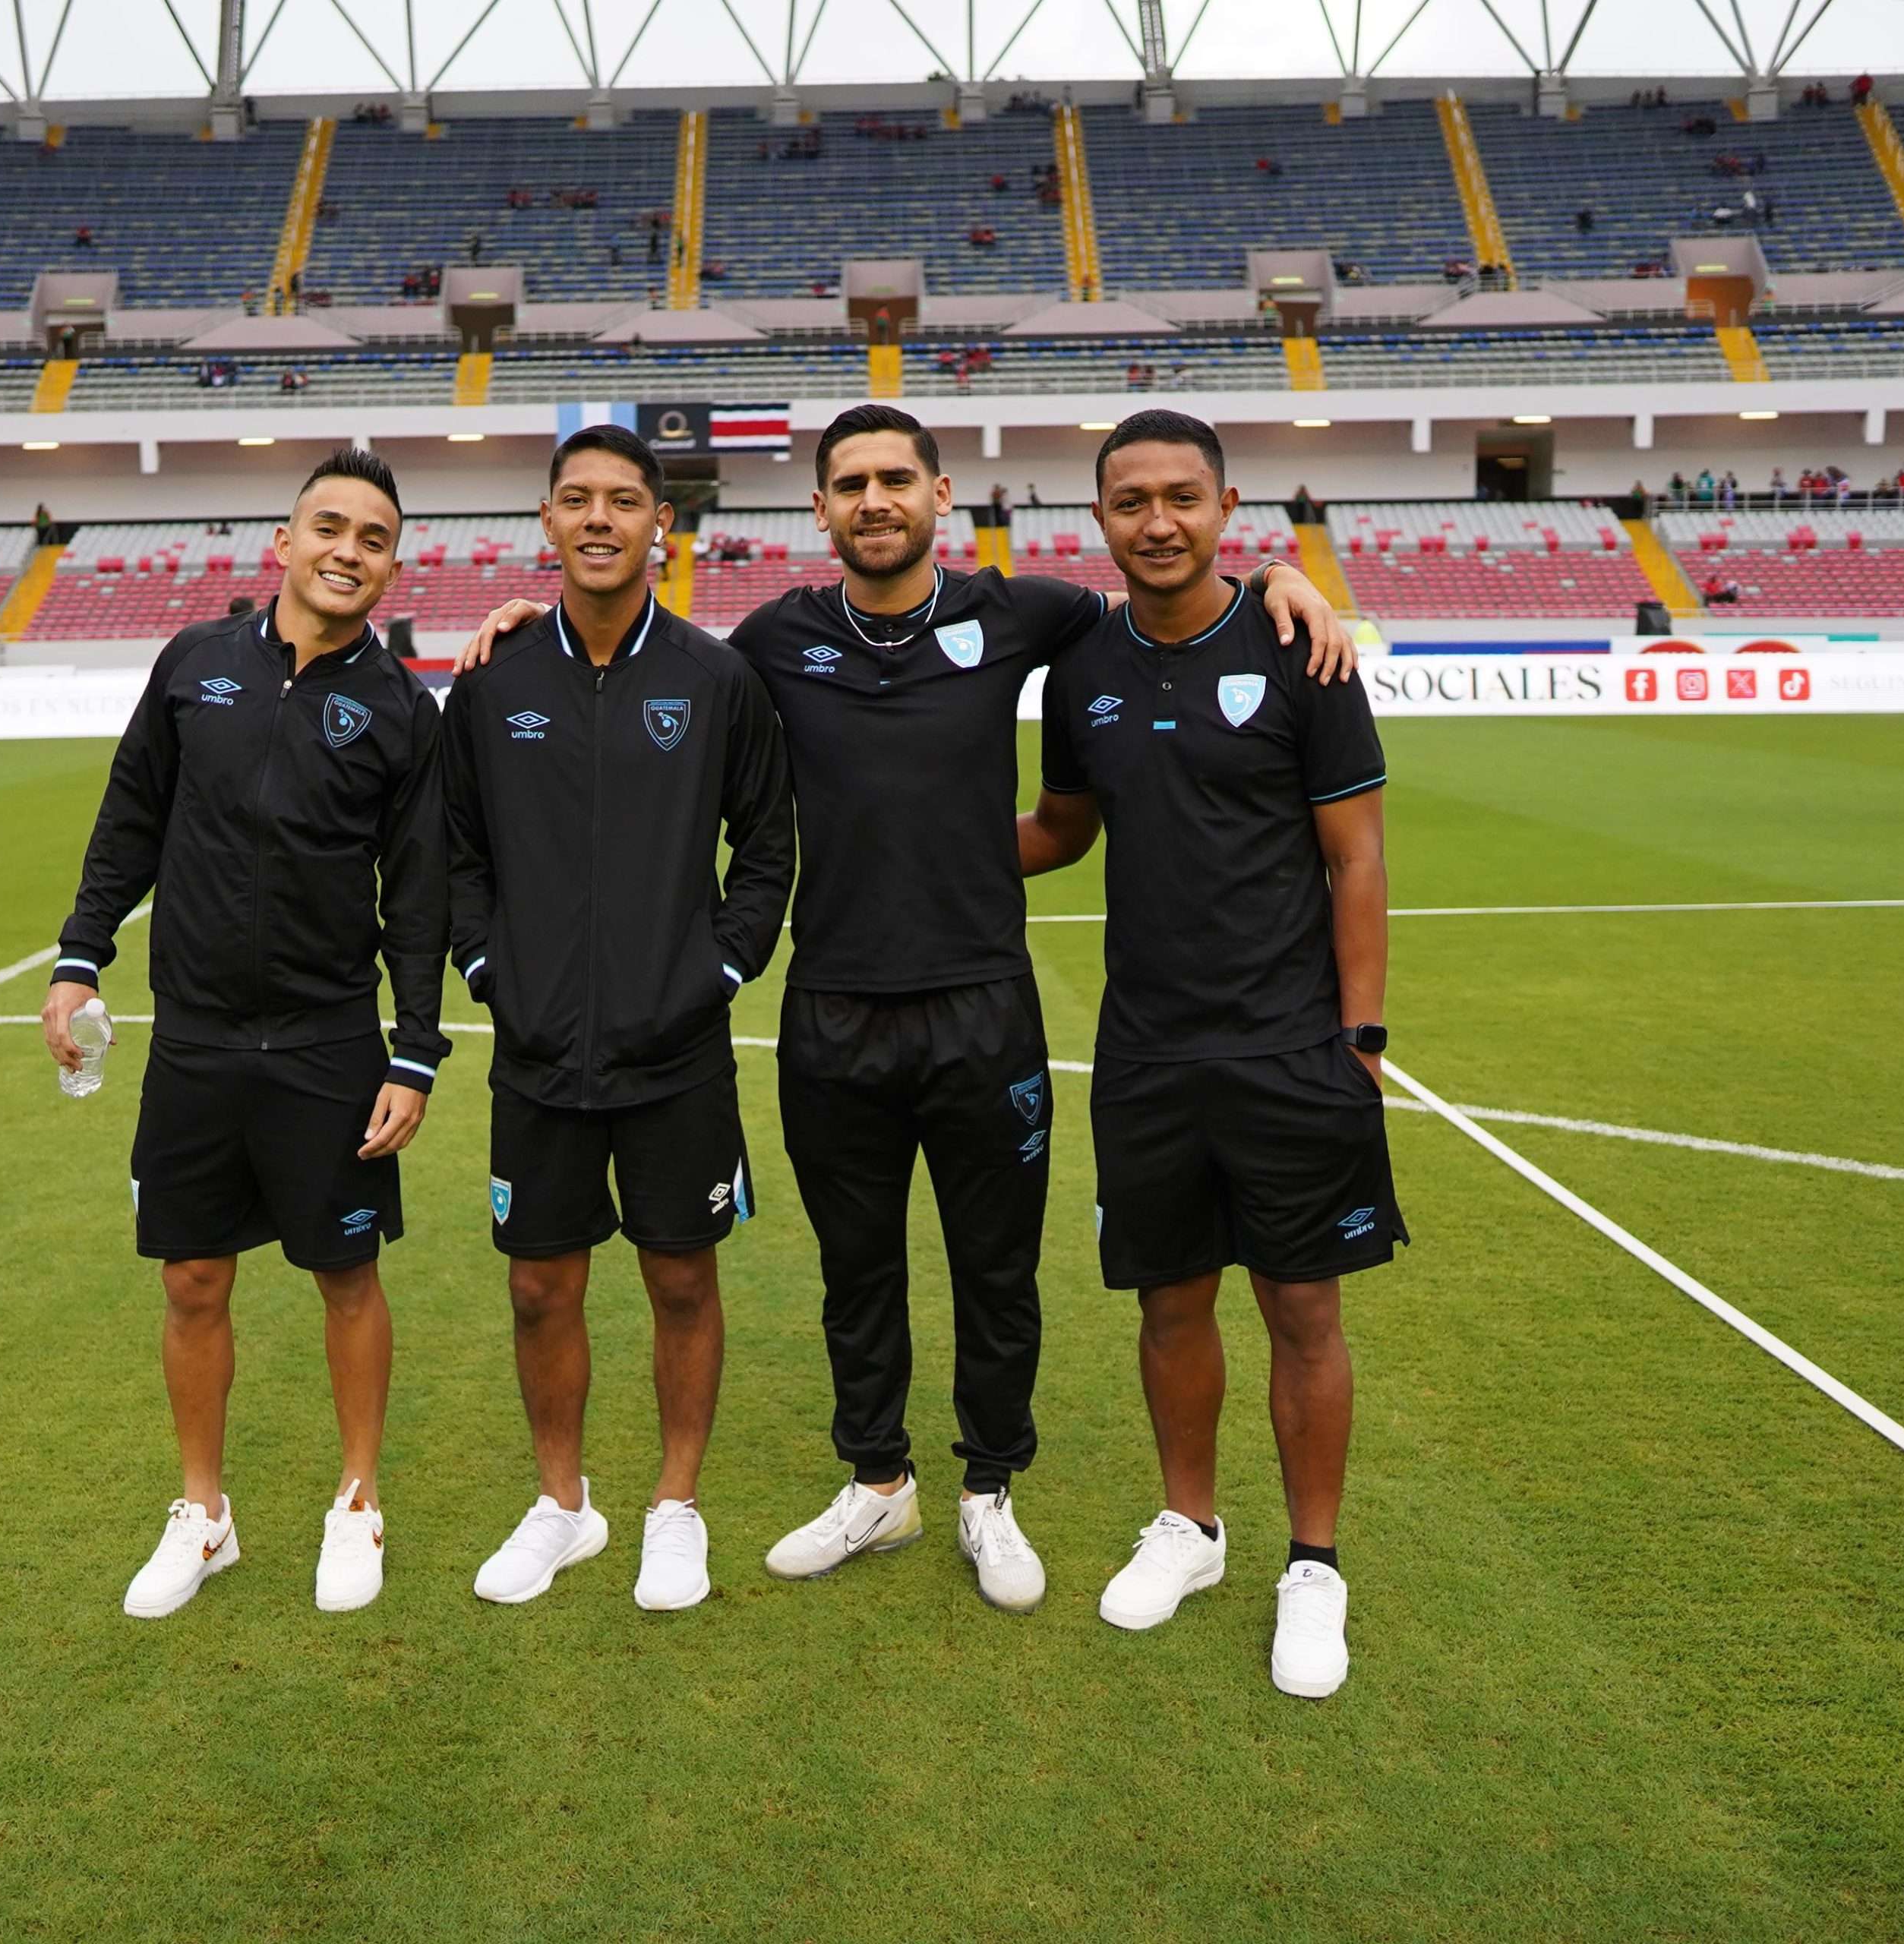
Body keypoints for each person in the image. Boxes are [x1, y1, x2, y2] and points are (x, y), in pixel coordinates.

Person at [453, 405, 1353, 1614]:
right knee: (856, 1268)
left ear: (941, 495)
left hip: (985, 1004)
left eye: (896, 479)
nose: (875, 500)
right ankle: (879, 1480)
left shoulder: (1028, 614)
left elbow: (1171, 596)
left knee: (996, 1269)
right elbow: (645, 659)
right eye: (850, 484)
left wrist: (1286, 579)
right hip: (833, 1007)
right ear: (818, 511)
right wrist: (523, 620)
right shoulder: (771, 641)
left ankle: (990, 1490)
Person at [1023, 410, 1400, 1697]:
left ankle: (1314, 1565)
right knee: (1170, 1299)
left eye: (1183, 496)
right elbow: (1061, 830)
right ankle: (1190, 1527)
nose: (1159, 521)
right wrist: (903, 830)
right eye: (1132, 501)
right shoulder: (1081, 665)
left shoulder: (1299, 646)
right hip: (1146, 1051)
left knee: (1303, 1306)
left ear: (1228, 507)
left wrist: (1362, 1036)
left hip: (1293, 1046)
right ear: (1102, 519)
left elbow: (1357, 856)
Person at [42, 448, 450, 1621]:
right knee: (192, 1277)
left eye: (373, 538)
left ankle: (359, 1500)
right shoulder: (195, 667)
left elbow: (419, 896)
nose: (348, 552)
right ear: (283, 541)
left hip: (329, 1042)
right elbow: (131, 813)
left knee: (346, 1274)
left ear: (390, 566)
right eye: (330, 527)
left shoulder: (400, 712)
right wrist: (81, 956)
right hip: (198, 1040)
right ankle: (204, 1514)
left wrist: (414, 1053)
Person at [444, 426, 795, 1613]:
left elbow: (769, 847)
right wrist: (492, 969)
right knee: (541, 1288)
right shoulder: (493, 682)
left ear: (662, 526)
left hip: (677, 1051)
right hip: (538, 1050)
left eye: (626, 501)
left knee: (681, 1282)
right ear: (545, 522)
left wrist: (721, 972)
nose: (601, 519)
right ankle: (564, 1506)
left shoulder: (714, 676)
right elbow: (457, 853)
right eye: (577, 499)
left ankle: (676, 1510)